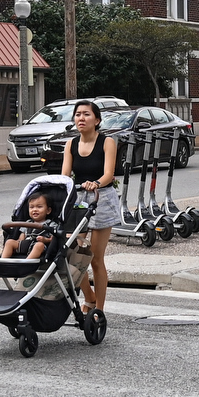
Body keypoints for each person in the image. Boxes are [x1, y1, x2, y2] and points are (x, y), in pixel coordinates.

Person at [60, 101, 121, 315]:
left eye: (86, 114)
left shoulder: (107, 142)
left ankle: (99, 310)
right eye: (78, 114)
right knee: (74, 254)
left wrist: (95, 183)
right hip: (79, 199)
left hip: (101, 198)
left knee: (95, 258)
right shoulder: (71, 144)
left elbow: (108, 174)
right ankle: (89, 297)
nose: (81, 118)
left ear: (96, 120)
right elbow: (65, 175)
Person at [1, 190, 59, 260]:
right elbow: (22, 236)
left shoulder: (51, 224)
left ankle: (27, 262)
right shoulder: (27, 223)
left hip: (38, 246)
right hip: (25, 244)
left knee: (39, 245)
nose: (35, 210)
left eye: (39, 207)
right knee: (9, 242)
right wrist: (18, 242)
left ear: (48, 210)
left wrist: (45, 240)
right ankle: (3, 261)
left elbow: (53, 239)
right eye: (31, 207)